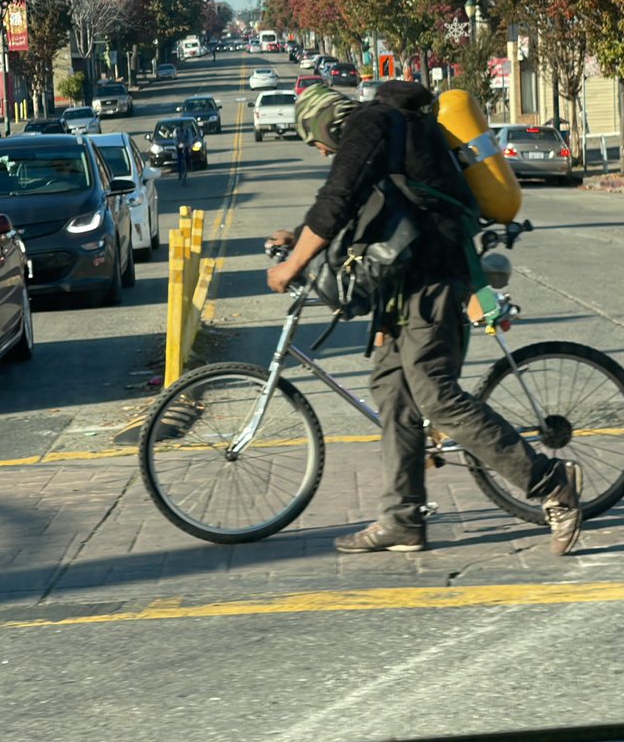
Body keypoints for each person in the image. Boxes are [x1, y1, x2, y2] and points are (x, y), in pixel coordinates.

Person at [267, 81, 581, 557]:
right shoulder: (390, 128)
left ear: (327, 122)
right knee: (392, 390)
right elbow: (362, 209)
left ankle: (550, 484)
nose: (318, 149)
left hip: (433, 278)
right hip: (407, 283)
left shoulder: (371, 125)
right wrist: (299, 236)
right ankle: (402, 519)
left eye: (314, 139)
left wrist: (292, 265)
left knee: (436, 394)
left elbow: (336, 199)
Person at [174, 120, 192, 185]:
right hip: (179, 146)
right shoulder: (176, 131)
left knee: (188, 156)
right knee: (179, 159)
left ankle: (189, 167)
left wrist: (188, 145)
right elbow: (175, 139)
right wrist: (179, 145)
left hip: (186, 145)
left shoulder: (188, 131)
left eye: (183, 126)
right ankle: (180, 172)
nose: (182, 128)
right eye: (180, 126)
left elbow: (190, 139)